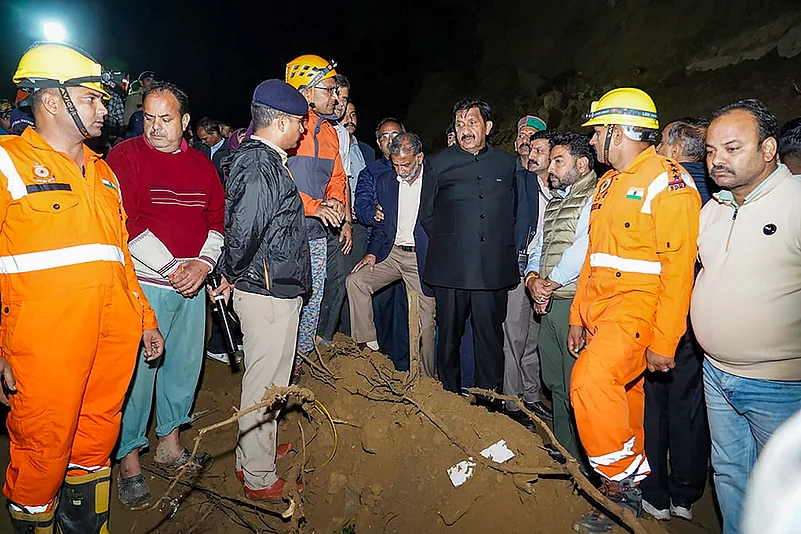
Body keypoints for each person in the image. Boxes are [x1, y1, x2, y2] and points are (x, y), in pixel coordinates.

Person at [0, 42, 163, 532]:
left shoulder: (105, 174)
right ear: (52, 101)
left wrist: (146, 321)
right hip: (45, 349)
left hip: (109, 348)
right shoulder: (9, 164)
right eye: (92, 98)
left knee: (93, 449)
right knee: (43, 451)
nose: (105, 107)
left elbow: (120, 261)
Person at [568, 88, 701, 533]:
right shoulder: (607, 183)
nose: (590, 141)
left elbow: (678, 271)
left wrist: (665, 341)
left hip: (639, 312)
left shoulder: (669, 182)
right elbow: (595, 256)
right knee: (625, 402)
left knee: (589, 382)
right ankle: (635, 493)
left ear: (618, 131)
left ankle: (618, 487)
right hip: (602, 313)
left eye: (596, 132)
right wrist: (577, 316)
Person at [107, 81, 225, 509]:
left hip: (192, 284)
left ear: (185, 121)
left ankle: (170, 443)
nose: (155, 127)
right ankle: (129, 459)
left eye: (166, 119)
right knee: (139, 374)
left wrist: (204, 265)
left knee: (183, 367)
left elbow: (217, 219)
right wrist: (175, 266)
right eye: (149, 118)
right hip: (146, 287)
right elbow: (127, 220)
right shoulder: (125, 157)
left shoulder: (203, 165)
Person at [692, 99, 801, 534]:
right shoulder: (713, 208)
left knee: (784, 492)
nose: (718, 160)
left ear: (769, 148)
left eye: (733, 148)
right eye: (712, 150)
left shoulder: (796, 202)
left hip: (781, 386)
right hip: (716, 374)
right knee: (731, 475)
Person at [210, 79, 311, 501]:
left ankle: (257, 449)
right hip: (267, 292)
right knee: (263, 382)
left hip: (274, 287)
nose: (304, 131)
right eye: (301, 124)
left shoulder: (266, 161)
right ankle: (257, 475)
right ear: (283, 121)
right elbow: (242, 233)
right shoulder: (259, 165)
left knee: (272, 378)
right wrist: (230, 275)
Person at [639, 117, 711, 521]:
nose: (657, 148)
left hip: (666, 309)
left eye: (663, 141)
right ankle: (686, 493)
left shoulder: (671, 186)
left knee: (655, 403)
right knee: (687, 404)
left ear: (678, 150)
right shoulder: (718, 190)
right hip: (696, 313)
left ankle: (656, 492)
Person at [421, 98, 517, 396]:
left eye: (472, 123)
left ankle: (490, 401)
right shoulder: (437, 163)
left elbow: (512, 211)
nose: (465, 130)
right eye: (460, 124)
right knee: (449, 338)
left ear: (487, 127)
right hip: (452, 271)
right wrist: (455, 242)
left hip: (492, 270)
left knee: (490, 340)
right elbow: (427, 215)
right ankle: (450, 396)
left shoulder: (506, 163)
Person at [525, 132, 597, 465]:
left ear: (582, 165)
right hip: (551, 299)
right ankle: (565, 449)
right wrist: (532, 280)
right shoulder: (556, 200)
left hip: (575, 303)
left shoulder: (594, 197)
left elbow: (583, 249)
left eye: (558, 161)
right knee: (554, 382)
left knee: (577, 387)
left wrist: (548, 283)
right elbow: (538, 245)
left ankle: (589, 459)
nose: (551, 167)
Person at [347, 133, 436, 378]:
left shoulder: (435, 182)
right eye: (396, 164)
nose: (400, 170)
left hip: (422, 257)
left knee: (426, 324)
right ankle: (369, 348)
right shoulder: (386, 181)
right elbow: (383, 225)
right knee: (356, 281)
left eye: (406, 164)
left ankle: (427, 381)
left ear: (420, 157)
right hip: (393, 254)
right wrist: (373, 253)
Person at [284, 54, 347, 358]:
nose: (336, 97)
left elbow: (337, 176)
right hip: (284, 233)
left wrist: (336, 199)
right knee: (285, 299)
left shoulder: (331, 132)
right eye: (329, 89)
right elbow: (276, 184)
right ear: (305, 92)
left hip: (317, 233)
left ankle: (304, 357)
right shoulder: (284, 127)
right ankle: (280, 361)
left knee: (314, 296)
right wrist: (313, 206)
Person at [503, 115, 552, 424]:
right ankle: (511, 403)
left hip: (547, 273)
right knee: (513, 336)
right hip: (519, 268)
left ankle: (532, 396)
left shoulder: (562, 188)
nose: (530, 150)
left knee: (533, 338)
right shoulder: (517, 181)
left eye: (537, 145)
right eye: (525, 142)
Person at [353, 118, 410, 368]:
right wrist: (372, 213)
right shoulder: (370, 172)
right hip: (381, 249)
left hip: (411, 251)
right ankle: (381, 362)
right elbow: (361, 206)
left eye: (395, 135)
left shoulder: (415, 168)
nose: (391, 140)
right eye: (385, 137)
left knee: (407, 309)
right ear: (378, 143)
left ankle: (405, 363)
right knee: (381, 307)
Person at [317, 74, 354, 346]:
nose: (338, 102)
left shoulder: (341, 134)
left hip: (333, 217)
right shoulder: (309, 126)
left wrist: (346, 221)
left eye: (343, 97)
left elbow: (342, 181)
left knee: (337, 276)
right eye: (334, 94)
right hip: (309, 217)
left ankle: (323, 337)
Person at [657, 117, 715, 203]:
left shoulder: (659, 186)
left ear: (674, 151)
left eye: (662, 143)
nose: (657, 148)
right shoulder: (719, 190)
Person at [196, 117, 230, 181]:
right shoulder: (200, 148)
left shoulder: (229, 149)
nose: (203, 142)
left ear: (215, 133)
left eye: (205, 139)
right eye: (200, 139)